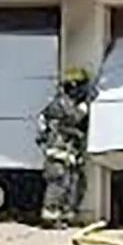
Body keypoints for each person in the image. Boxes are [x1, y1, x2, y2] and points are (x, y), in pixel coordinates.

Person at [38, 67, 94, 229]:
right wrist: (85, 107)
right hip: (57, 153)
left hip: (69, 153)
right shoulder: (61, 103)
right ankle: (50, 217)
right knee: (58, 184)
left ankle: (65, 216)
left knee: (74, 184)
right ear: (73, 85)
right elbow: (72, 118)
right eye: (81, 86)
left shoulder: (69, 102)